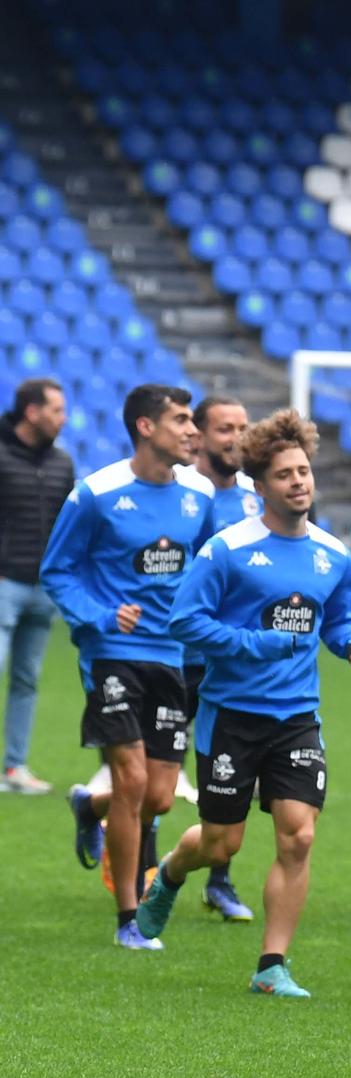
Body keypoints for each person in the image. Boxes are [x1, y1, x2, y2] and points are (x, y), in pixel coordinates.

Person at [135, 411, 351, 995]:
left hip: (297, 718)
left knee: (299, 834)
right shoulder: (227, 550)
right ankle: (168, 874)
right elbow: (184, 620)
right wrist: (255, 643)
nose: (299, 482)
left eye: (304, 471)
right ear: (260, 485)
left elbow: (336, 620)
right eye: (285, 474)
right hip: (231, 716)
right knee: (222, 842)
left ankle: (271, 966)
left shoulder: (330, 555)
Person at [40, 385, 214, 949]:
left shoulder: (199, 495)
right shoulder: (95, 493)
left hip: (173, 657)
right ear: (145, 427)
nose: (193, 431)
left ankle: (88, 806)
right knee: (133, 781)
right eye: (182, 421)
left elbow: (211, 570)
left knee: (158, 798)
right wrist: (102, 615)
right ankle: (128, 920)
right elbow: (58, 570)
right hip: (111, 654)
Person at [172, 395, 259, 912]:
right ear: (199, 436)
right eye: (225, 429)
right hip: (177, 653)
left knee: (230, 768)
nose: (237, 439)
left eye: (244, 428)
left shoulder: (256, 496)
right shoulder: (180, 495)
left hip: (232, 661)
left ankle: (219, 879)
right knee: (161, 772)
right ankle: (140, 862)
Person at [0, 378, 73, 795]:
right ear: (32, 412)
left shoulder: (62, 463)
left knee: (27, 679)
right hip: (5, 584)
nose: (63, 418)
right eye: (56, 410)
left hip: (43, 589)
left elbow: (68, 526)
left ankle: (15, 768)